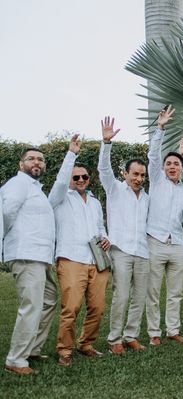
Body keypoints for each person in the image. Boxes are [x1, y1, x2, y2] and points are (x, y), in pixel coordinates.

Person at [49, 135, 111, 366]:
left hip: (96, 260)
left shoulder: (94, 201)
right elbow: (60, 183)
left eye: (84, 176)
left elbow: (100, 227)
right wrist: (71, 154)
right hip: (71, 259)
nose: (81, 180)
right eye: (76, 177)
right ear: (70, 179)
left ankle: (86, 343)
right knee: (71, 307)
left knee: (97, 307)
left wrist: (106, 238)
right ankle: (64, 349)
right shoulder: (60, 197)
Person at [1, 147, 57, 375]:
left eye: (41, 159)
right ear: (20, 164)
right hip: (26, 254)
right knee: (32, 305)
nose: (37, 162)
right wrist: (14, 240)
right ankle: (16, 359)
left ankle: (32, 348)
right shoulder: (18, 183)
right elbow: (7, 213)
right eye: (31, 158)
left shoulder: (35, 188)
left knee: (49, 300)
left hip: (41, 257)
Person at [98, 116, 150, 355]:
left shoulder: (146, 198)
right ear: (126, 174)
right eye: (135, 174)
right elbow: (103, 169)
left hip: (142, 251)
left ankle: (131, 336)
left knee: (139, 297)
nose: (139, 178)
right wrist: (106, 143)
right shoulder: (115, 188)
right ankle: (114, 339)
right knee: (122, 296)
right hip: (120, 250)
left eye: (142, 175)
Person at [145, 105, 183, 345]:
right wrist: (160, 128)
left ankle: (173, 330)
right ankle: (154, 333)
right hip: (155, 240)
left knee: (175, 292)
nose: (173, 167)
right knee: (153, 291)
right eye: (170, 164)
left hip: (177, 244)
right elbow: (153, 156)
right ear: (164, 168)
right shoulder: (156, 180)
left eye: (177, 164)